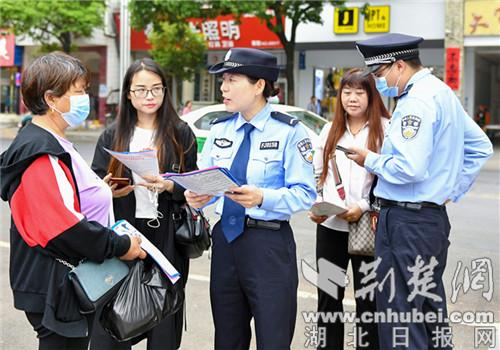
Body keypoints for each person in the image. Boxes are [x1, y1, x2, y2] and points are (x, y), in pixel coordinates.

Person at [348, 33, 493, 349]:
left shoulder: (416, 101)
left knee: (400, 314)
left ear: (399, 65)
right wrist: (449, 189)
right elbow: (481, 145)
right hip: (427, 220)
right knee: (428, 310)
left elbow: (409, 168)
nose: (378, 81)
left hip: (406, 222)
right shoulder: (441, 92)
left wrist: (369, 159)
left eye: (379, 73)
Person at [0, 52, 146, 350]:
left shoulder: (52, 140)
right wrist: (121, 246)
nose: (85, 98)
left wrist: (101, 191)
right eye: (78, 92)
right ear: (51, 98)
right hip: (56, 283)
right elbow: (62, 226)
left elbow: (63, 196)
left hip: (63, 278)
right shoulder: (40, 152)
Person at [184, 48, 316, 349]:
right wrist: (199, 196)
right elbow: (208, 181)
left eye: (232, 80)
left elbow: (305, 194)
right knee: (228, 337)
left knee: (273, 337)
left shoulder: (290, 132)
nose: (223, 88)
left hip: (268, 246)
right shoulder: (220, 129)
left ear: (259, 85)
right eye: (222, 80)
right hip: (225, 242)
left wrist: (262, 197)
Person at [90, 58, 197, 350]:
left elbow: (192, 182)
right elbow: (95, 184)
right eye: (141, 90)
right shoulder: (112, 135)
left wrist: (170, 185)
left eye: (156, 89)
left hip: (167, 235)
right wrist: (109, 190)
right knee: (112, 322)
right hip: (124, 233)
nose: (149, 97)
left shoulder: (180, 132)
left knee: (164, 324)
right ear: (128, 94)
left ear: (165, 91)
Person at [309, 68, 390, 349]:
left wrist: (364, 206)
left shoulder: (385, 130)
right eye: (347, 92)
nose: (352, 98)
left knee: (369, 300)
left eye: (359, 92)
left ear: (371, 95)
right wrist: (318, 205)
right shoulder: (330, 130)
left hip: (368, 228)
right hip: (331, 229)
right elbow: (316, 174)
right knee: (328, 298)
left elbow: (391, 181)